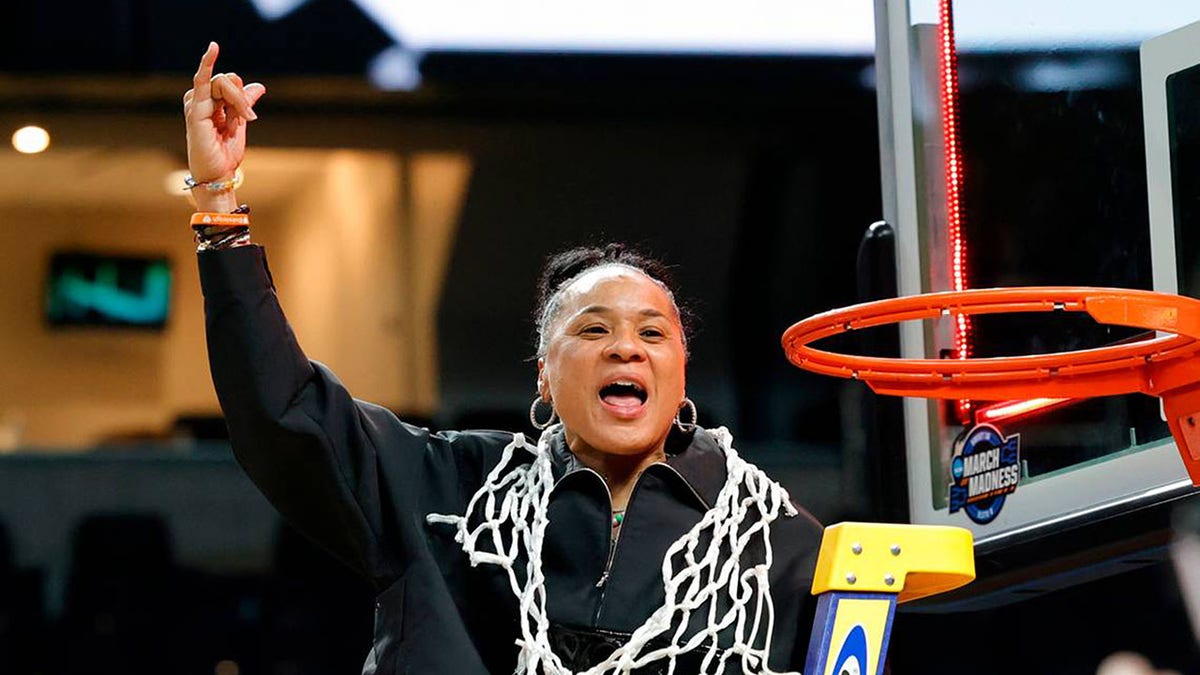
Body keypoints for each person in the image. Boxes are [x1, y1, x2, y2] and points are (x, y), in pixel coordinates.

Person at [183, 42, 824, 674]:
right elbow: (287, 412)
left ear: (681, 371)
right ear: (544, 374)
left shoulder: (774, 540)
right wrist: (218, 204)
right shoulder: (451, 490)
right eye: (593, 329)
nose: (626, 346)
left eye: (653, 334)